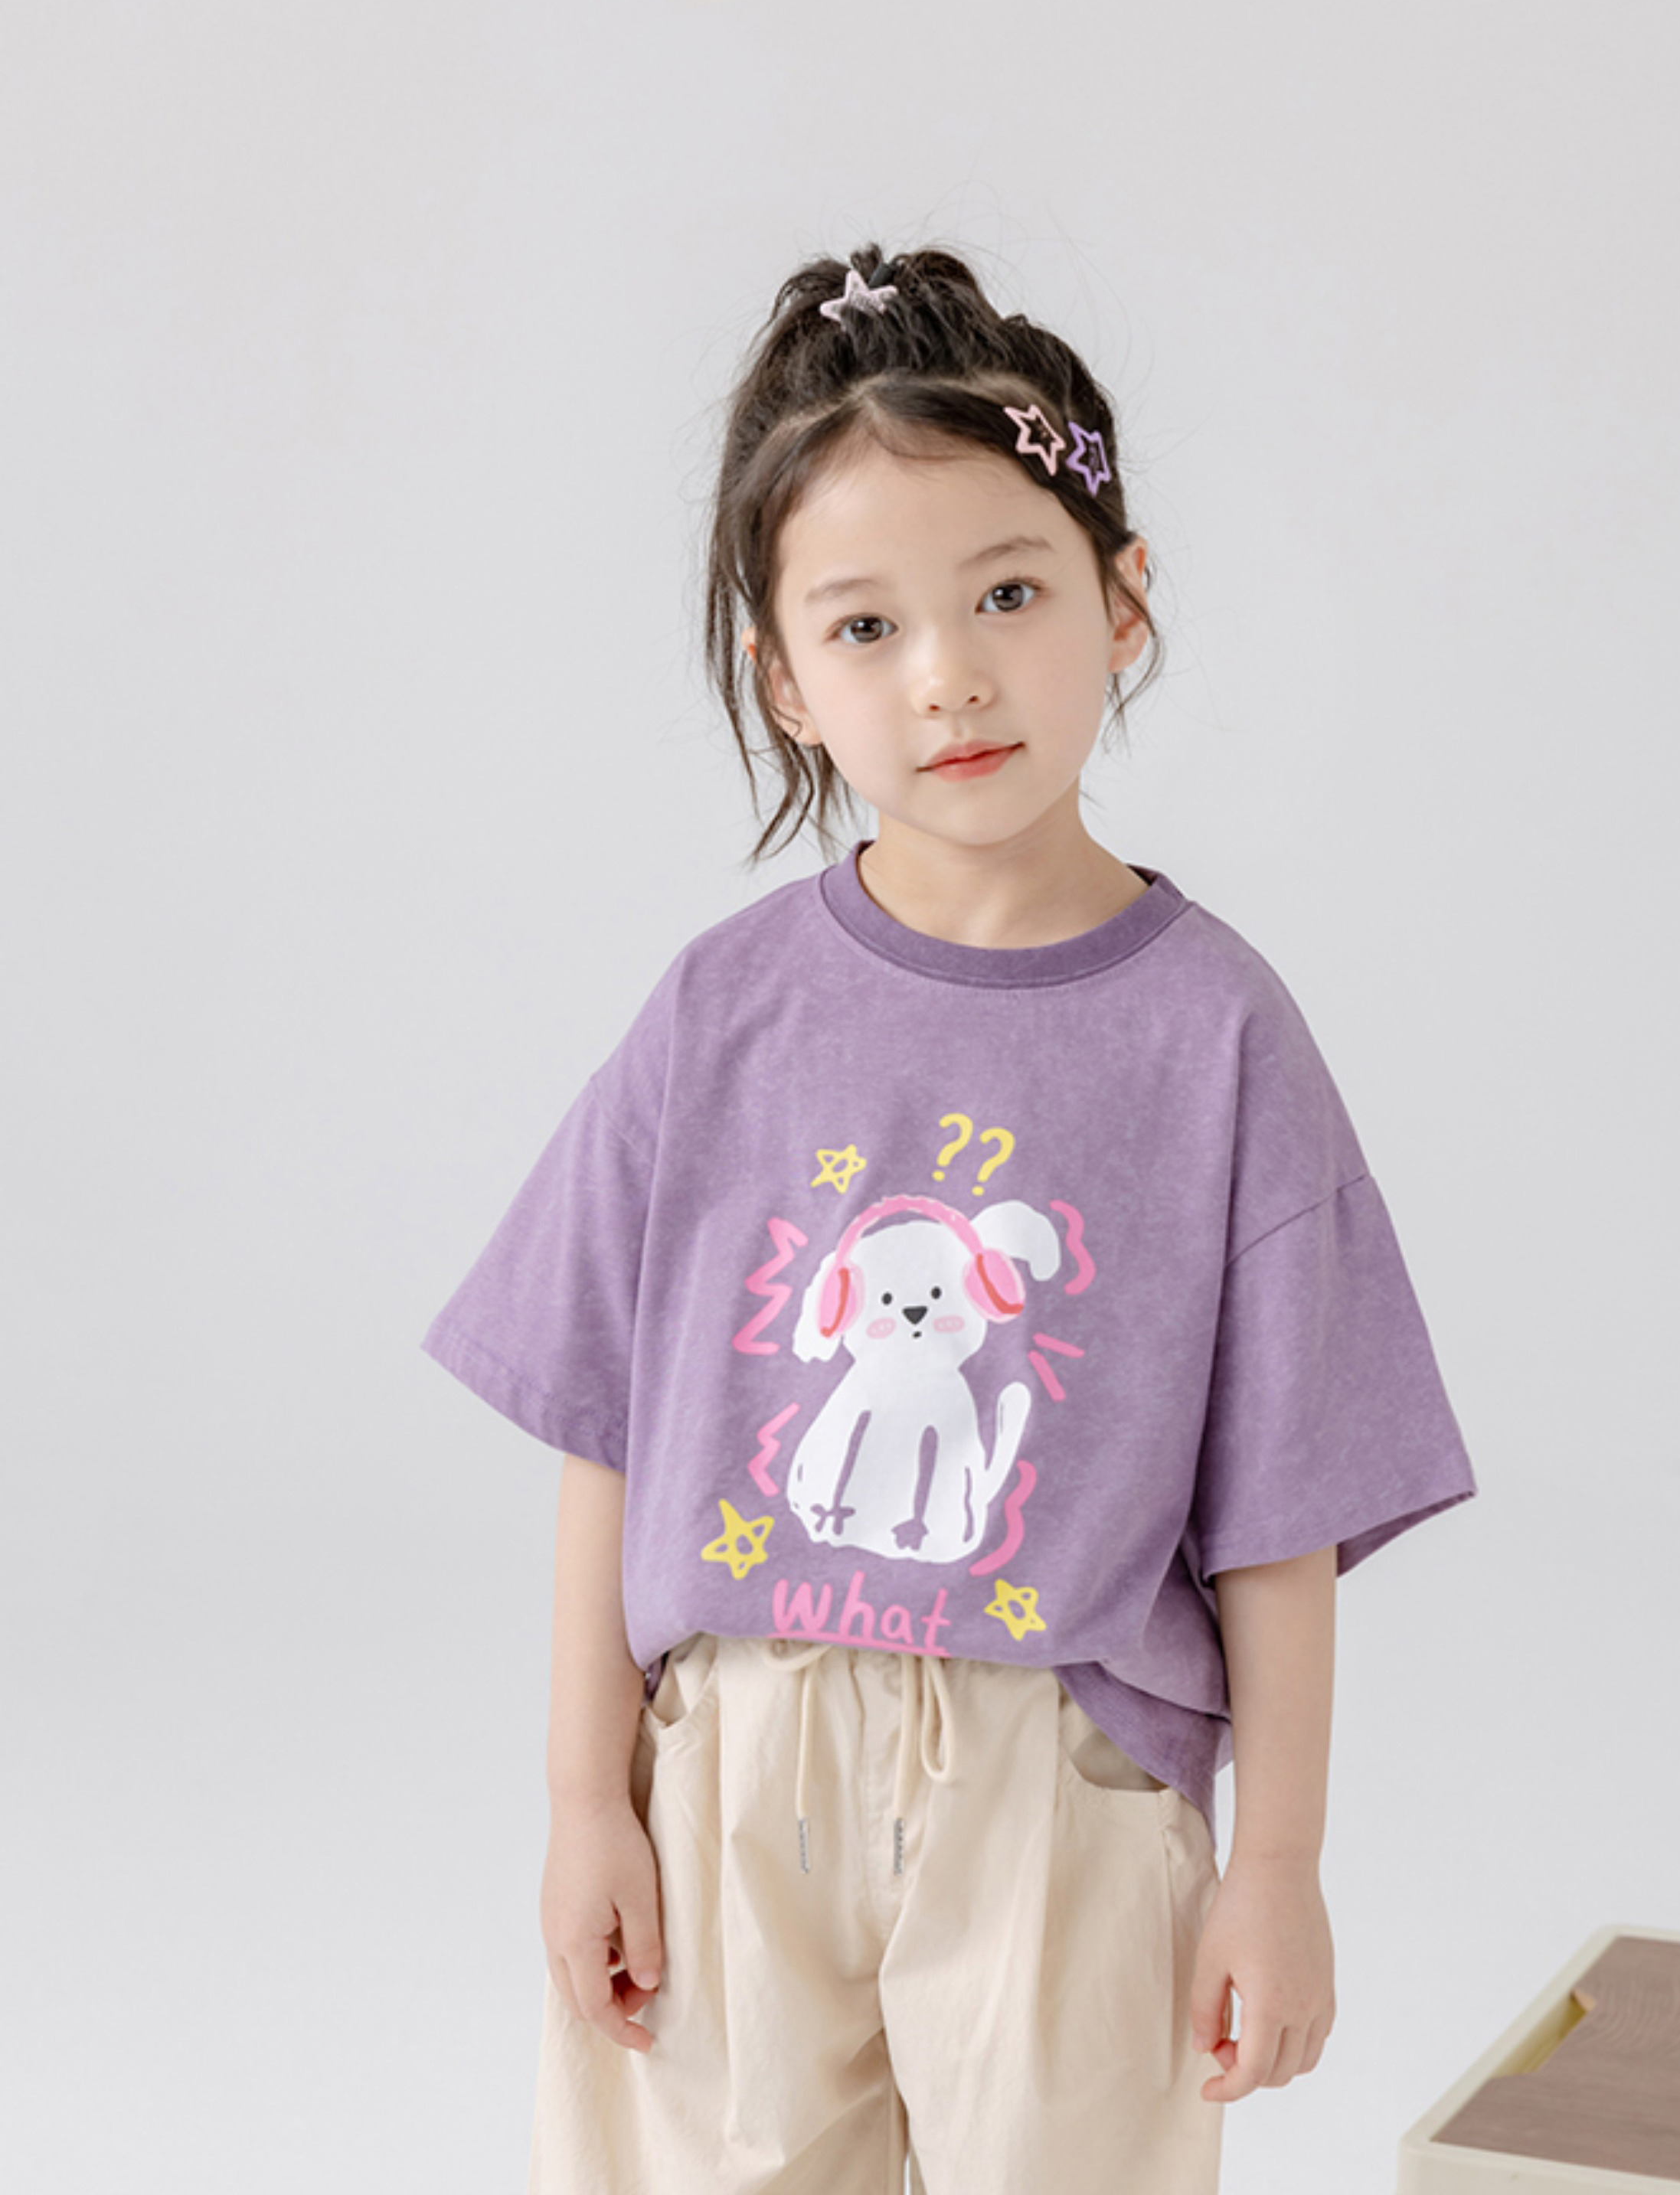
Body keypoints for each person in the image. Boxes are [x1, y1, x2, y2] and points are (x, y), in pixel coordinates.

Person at [420, 242, 1479, 2195]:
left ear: (1122, 600)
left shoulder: (1216, 1034)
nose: (950, 674)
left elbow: (1284, 1510)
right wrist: (586, 1797)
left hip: (1061, 1782)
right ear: (784, 676)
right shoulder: (721, 1012)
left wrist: (1276, 1863)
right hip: (734, 1761)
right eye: (866, 625)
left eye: (1007, 593)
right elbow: (605, 1426)